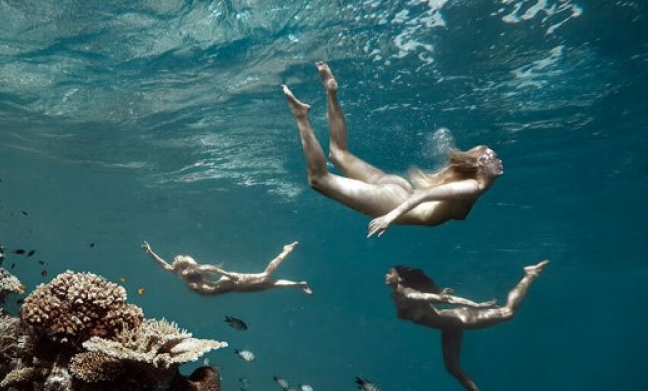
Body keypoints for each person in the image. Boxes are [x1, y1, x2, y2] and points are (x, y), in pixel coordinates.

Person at [282, 61, 504, 238]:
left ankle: (331, 92)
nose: (498, 159)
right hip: (392, 201)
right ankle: (301, 116)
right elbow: (426, 194)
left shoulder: (474, 185)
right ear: (481, 164)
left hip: (398, 189)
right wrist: (390, 217)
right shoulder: (472, 187)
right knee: (319, 180)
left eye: (494, 156)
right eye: (493, 156)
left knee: (339, 154)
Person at [385, 261, 549, 391]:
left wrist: (478, 306)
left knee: (508, 312)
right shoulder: (396, 295)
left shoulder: (412, 295)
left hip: (460, 319)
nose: (386, 275)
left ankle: (529, 275)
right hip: (449, 325)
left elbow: (450, 300)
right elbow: (436, 301)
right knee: (452, 368)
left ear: (400, 278)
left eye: (390, 272)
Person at [142, 241, 313, 295]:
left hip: (228, 283)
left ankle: (286, 251)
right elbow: (164, 264)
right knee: (268, 282)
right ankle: (299, 284)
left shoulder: (186, 272)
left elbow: (212, 269)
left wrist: (230, 277)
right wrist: (150, 252)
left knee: (267, 276)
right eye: (190, 258)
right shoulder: (187, 271)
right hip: (229, 284)